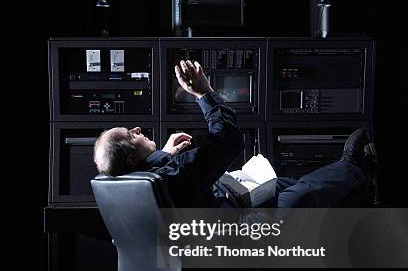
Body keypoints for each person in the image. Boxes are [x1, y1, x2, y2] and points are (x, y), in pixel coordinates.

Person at [94, 60, 375, 208]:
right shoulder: (176, 174)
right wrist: (204, 92)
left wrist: (163, 153)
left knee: (286, 184)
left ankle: (356, 184)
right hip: (231, 229)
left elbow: (152, 171)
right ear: (132, 159)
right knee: (300, 197)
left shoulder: (137, 179)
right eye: (131, 134)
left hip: (227, 200)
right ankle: (352, 165)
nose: (137, 129)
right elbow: (228, 140)